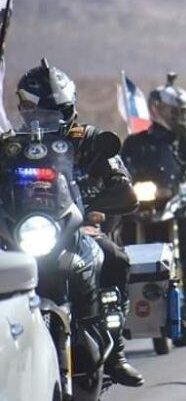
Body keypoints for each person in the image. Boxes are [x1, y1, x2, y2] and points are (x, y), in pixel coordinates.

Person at [15, 59, 143, 386]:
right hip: (25, 232)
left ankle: (115, 354)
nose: (44, 121)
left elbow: (122, 186)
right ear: (23, 110)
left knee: (114, 257)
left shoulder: (89, 140)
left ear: (69, 108)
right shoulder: (12, 147)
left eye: (54, 112)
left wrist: (98, 203)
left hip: (77, 227)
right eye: (36, 113)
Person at [121, 73, 186, 304]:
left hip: (177, 197)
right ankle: (122, 285)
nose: (179, 117)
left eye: (182, 112)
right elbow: (122, 163)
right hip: (147, 198)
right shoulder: (136, 141)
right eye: (175, 112)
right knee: (120, 223)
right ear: (158, 110)